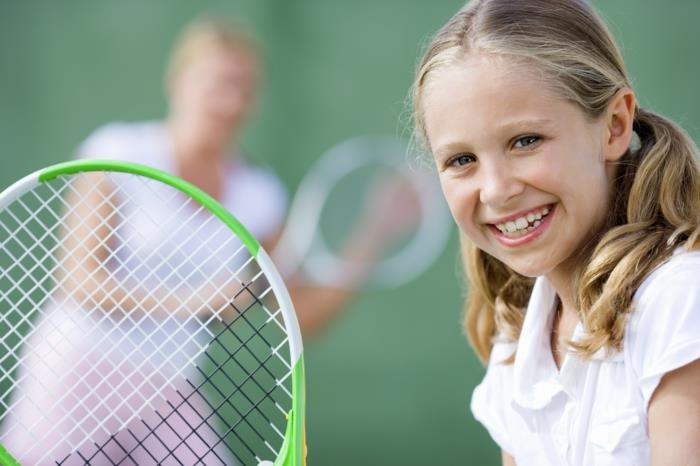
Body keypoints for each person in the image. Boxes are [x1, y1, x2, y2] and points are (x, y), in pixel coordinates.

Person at [0, 17, 414, 464]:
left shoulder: (258, 194)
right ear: (177, 81)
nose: (232, 101)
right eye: (219, 83)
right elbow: (78, 281)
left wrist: (375, 230)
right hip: (76, 370)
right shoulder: (118, 152)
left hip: (169, 388)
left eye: (246, 88)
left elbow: (302, 316)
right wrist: (198, 300)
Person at [411, 1, 700, 465]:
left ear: (614, 126)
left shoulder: (681, 299)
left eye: (525, 141)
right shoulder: (518, 340)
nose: (497, 190)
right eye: (462, 160)